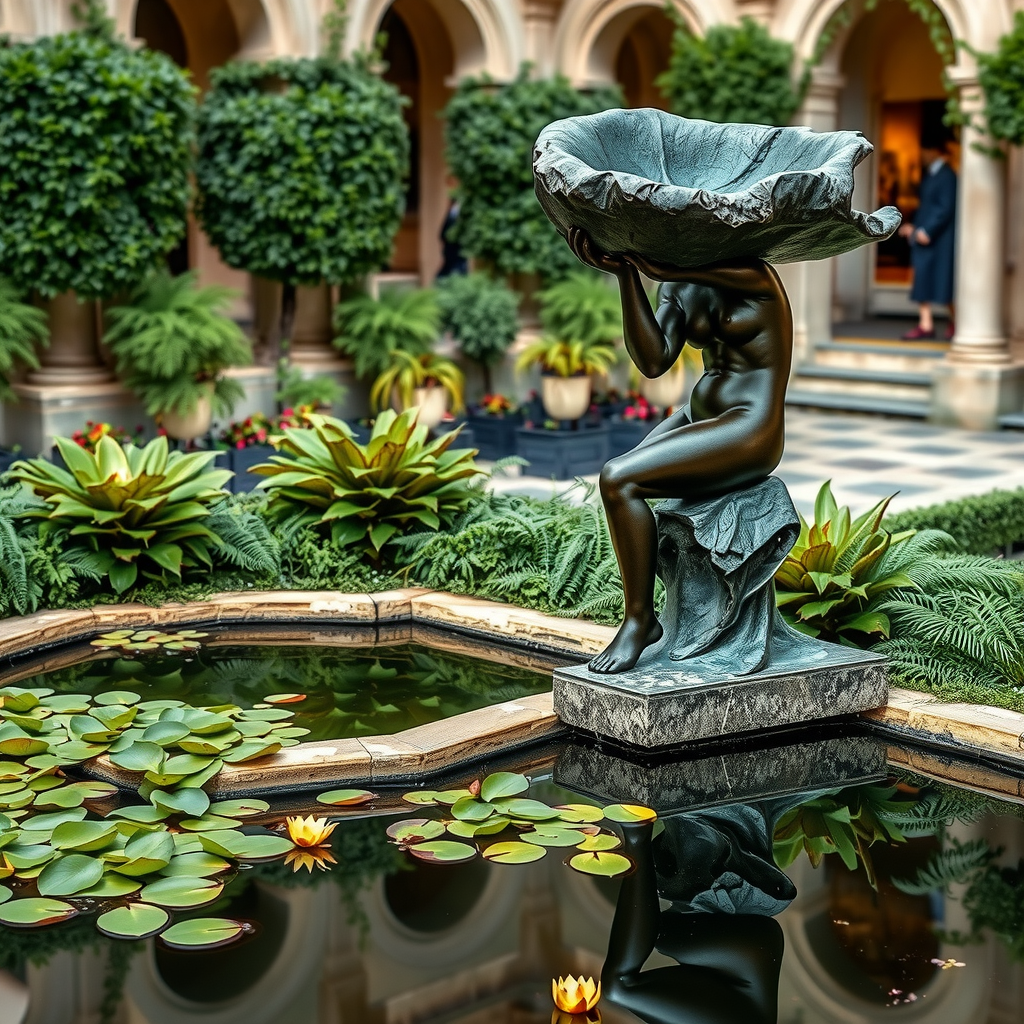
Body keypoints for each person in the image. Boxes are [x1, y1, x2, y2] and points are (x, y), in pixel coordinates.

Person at [568, 227, 791, 674]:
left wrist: (637, 257)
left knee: (619, 476)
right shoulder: (675, 282)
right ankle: (651, 613)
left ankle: (638, 620)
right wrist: (624, 277)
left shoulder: (754, 275)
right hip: (698, 415)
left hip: (750, 427)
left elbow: (666, 263)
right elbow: (654, 361)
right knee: (620, 486)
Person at [899, 138, 957, 340]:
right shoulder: (933, 174)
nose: (922, 155)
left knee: (944, 281)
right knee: (923, 277)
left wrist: (927, 230)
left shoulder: (947, 175)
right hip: (926, 235)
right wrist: (916, 228)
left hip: (939, 239)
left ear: (934, 151)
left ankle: (956, 321)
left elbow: (945, 207)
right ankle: (926, 324)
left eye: (924, 150)